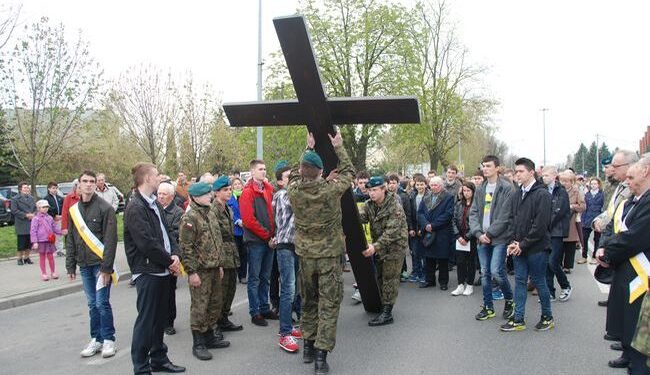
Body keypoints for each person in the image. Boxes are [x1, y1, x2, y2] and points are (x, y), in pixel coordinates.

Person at [287, 131, 354, 374]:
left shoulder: (293, 191)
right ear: (322, 172)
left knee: (308, 301)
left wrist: (308, 147)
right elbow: (348, 173)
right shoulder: (330, 191)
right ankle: (320, 358)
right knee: (328, 304)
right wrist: (339, 147)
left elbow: (295, 174)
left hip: (305, 257)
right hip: (327, 257)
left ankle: (307, 347)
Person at [125, 163, 185, 374]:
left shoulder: (154, 203)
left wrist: (175, 254)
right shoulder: (135, 207)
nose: (159, 178)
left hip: (163, 269)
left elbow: (168, 231)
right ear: (147, 178)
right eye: (156, 175)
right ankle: (141, 367)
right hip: (149, 271)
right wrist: (170, 261)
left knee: (160, 319)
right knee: (146, 321)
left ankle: (158, 358)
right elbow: (146, 243)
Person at [596, 156, 650, 373]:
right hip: (628, 267)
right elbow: (619, 229)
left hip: (641, 270)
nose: (627, 181)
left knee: (639, 329)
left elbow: (635, 236)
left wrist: (609, 253)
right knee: (630, 322)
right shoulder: (635, 200)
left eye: (631, 176)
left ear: (645, 172)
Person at [65, 171, 118, 358]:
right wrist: (70, 265)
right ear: (79, 185)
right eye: (84, 181)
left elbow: (111, 240)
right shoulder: (74, 210)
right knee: (91, 304)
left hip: (100, 265)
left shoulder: (105, 208)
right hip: (84, 264)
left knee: (101, 302)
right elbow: (70, 239)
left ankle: (109, 339)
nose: (88, 184)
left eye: (92, 181)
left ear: (96, 184)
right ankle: (96, 339)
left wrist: (106, 268)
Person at [502, 158, 554, 332]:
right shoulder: (517, 193)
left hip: (537, 248)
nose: (517, 174)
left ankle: (547, 317)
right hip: (519, 247)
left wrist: (522, 244)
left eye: (521, 171)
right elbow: (511, 219)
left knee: (539, 281)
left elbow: (540, 226)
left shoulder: (543, 194)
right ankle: (518, 319)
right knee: (519, 281)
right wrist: (512, 241)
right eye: (516, 172)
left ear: (531, 172)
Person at [180, 182, 230, 361]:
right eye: (206, 194)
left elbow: (217, 241)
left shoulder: (210, 213)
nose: (210, 196)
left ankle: (209, 336)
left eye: (210, 193)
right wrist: (191, 272)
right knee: (200, 307)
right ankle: (198, 343)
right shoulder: (190, 218)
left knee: (215, 303)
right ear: (195, 197)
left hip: (215, 267)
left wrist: (221, 264)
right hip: (200, 270)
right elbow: (186, 248)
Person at [469, 155, 515, 321]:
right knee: (485, 273)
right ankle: (488, 307)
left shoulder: (507, 188)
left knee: (497, 271)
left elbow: (505, 216)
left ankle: (510, 300)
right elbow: (473, 212)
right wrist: (479, 233)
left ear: (497, 168)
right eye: (483, 166)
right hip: (482, 238)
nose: (485, 169)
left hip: (499, 238)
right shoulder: (481, 188)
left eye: (488, 166)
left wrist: (489, 234)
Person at [358, 176, 408, 326]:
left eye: (374, 190)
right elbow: (361, 218)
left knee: (390, 279)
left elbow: (392, 232)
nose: (371, 193)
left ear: (383, 189)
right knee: (379, 277)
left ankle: (387, 313)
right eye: (369, 191)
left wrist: (374, 247)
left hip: (394, 247)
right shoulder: (369, 204)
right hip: (380, 247)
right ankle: (383, 305)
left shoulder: (394, 206)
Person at [240, 159, 277, 326]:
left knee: (265, 277)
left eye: (265, 169)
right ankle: (255, 312)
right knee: (254, 278)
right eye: (260, 169)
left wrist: (273, 235)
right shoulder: (248, 192)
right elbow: (249, 220)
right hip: (257, 241)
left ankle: (264, 307)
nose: (264, 171)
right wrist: (267, 236)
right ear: (252, 172)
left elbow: (273, 213)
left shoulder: (268, 189)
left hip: (269, 240)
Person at [271, 166, 303, 352]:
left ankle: (289, 327)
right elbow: (296, 202)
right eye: (289, 177)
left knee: (295, 288)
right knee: (288, 289)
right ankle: (284, 333)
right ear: (281, 182)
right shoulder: (282, 195)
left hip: (296, 246)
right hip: (285, 247)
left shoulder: (293, 193)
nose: (294, 180)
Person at [211, 176, 244, 334]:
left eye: (230, 189)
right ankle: (215, 324)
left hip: (231, 252)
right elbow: (213, 237)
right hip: (221, 254)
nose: (229, 192)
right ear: (217, 193)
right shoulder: (213, 210)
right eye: (225, 190)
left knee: (230, 289)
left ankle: (224, 319)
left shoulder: (228, 208)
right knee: (220, 292)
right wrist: (218, 261)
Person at [417, 176, 455, 290]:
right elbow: (420, 213)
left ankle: (443, 282)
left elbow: (448, 215)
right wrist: (426, 225)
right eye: (431, 185)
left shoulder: (448, 197)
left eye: (435, 185)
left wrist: (432, 225)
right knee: (429, 258)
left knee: (442, 259)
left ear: (441, 186)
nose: (433, 187)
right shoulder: (426, 196)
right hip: (427, 232)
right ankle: (430, 280)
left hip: (441, 232)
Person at [541, 166, 572, 302]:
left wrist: (546, 224)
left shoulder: (561, 191)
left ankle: (566, 286)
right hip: (545, 232)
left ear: (554, 176)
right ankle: (550, 291)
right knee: (546, 262)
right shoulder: (542, 190)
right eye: (543, 175)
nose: (544, 178)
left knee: (553, 262)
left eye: (547, 175)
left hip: (557, 231)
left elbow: (559, 212)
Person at [157, 182, 184, 336]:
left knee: (169, 292)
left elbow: (175, 235)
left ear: (172, 196)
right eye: (159, 193)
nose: (160, 197)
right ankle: (159, 320)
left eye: (164, 194)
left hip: (170, 257)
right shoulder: (154, 210)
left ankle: (169, 322)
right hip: (157, 257)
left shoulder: (178, 212)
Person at [452, 181, 477, 296]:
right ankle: (460, 285)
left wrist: (467, 237)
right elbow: (453, 220)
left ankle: (470, 285)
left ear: (473, 192)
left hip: (471, 237)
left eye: (468, 191)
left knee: (471, 262)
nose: (466, 193)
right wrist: (458, 235)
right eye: (464, 191)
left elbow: (477, 223)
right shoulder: (458, 204)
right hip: (459, 236)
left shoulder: (476, 205)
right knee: (460, 261)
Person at [559, 170, 585, 274]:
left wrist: (572, 206)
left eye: (566, 181)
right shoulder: (558, 190)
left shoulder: (576, 191)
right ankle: (558, 264)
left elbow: (583, 206)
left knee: (570, 245)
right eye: (562, 181)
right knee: (559, 244)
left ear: (572, 182)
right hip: (559, 221)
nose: (564, 183)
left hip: (571, 221)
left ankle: (567, 266)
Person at [387, 173, 411, 281]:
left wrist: (407, 228)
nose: (392, 185)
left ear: (398, 184)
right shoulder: (384, 195)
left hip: (401, 226)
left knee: (400, 250)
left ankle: (402, 270)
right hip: (389, 228)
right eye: (390, 183)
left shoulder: (403, 196)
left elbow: (408, 212)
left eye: (394, 183)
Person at [31, 199, 62, 280]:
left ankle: (53, 272)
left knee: (51, 257)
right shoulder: (36, 219)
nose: (45, 208)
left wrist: (61, 232)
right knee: (42, 257)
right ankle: (44, 273)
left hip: (49, 240)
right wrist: (34, 242)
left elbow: (54, 228)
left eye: (47, 207)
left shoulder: (50, 217)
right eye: (43, 207)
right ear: (38, 208)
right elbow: (33, 231)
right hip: (41, 241)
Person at [406, 174, 428, 283]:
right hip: (414, 228)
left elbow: (427, 215)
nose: (419, 187)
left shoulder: (428, 196)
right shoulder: (412, 196)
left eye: (421, 184)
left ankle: (424, 273)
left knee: (424, 253)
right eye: (418, 184)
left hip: (424, 229)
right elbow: (410, 214)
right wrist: (411, 228)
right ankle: (416, 272)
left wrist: (422, 229)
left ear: (425, 185)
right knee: (415, 252)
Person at [579, 177, 604, 264]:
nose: (593, 185)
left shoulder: (602, 195)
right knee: (584, 238)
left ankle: (594, 257)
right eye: (592, 184)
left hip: (597, 218)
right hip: (587, 218)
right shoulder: (587, 195)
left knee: (597, 239)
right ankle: (584, 256)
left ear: (598, 185)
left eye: (595, 184)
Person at [11, 182, 36, 265]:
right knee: (21, 243)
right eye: (24, 188)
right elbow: (14, 210)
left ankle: (27, 257)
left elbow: (35, 208)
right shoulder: (15, 199)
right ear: (20, 189)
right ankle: (19, 258)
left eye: (27, 188)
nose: (26, 189)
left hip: (31, 223)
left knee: (29, 242)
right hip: (21, 223)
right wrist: (25, 215)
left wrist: (33, 214)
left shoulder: (31, 198)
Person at [228, 177, 247, 283]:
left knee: (244, 253)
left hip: (245, 230)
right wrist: (237, 221)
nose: (237, 186)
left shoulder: (245, 196)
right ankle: (235, 274)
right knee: (236, 253)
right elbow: (230, 212)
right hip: (235, 230)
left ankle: (243, 275)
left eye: (239, 184)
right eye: (235, 184)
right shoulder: (230, 199)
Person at [45, 182, 65, 256]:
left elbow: (64, 207)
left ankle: (60, 250)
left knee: (59, 235)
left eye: (56, 188)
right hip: (51, 219)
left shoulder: (60, 198)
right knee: (50, 235)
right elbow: (48, 209)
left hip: (60, 218)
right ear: (49, 189)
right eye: (53, 188)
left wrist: (61, 215)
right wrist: (54, 216)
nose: (55, 190)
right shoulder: (46, 199)